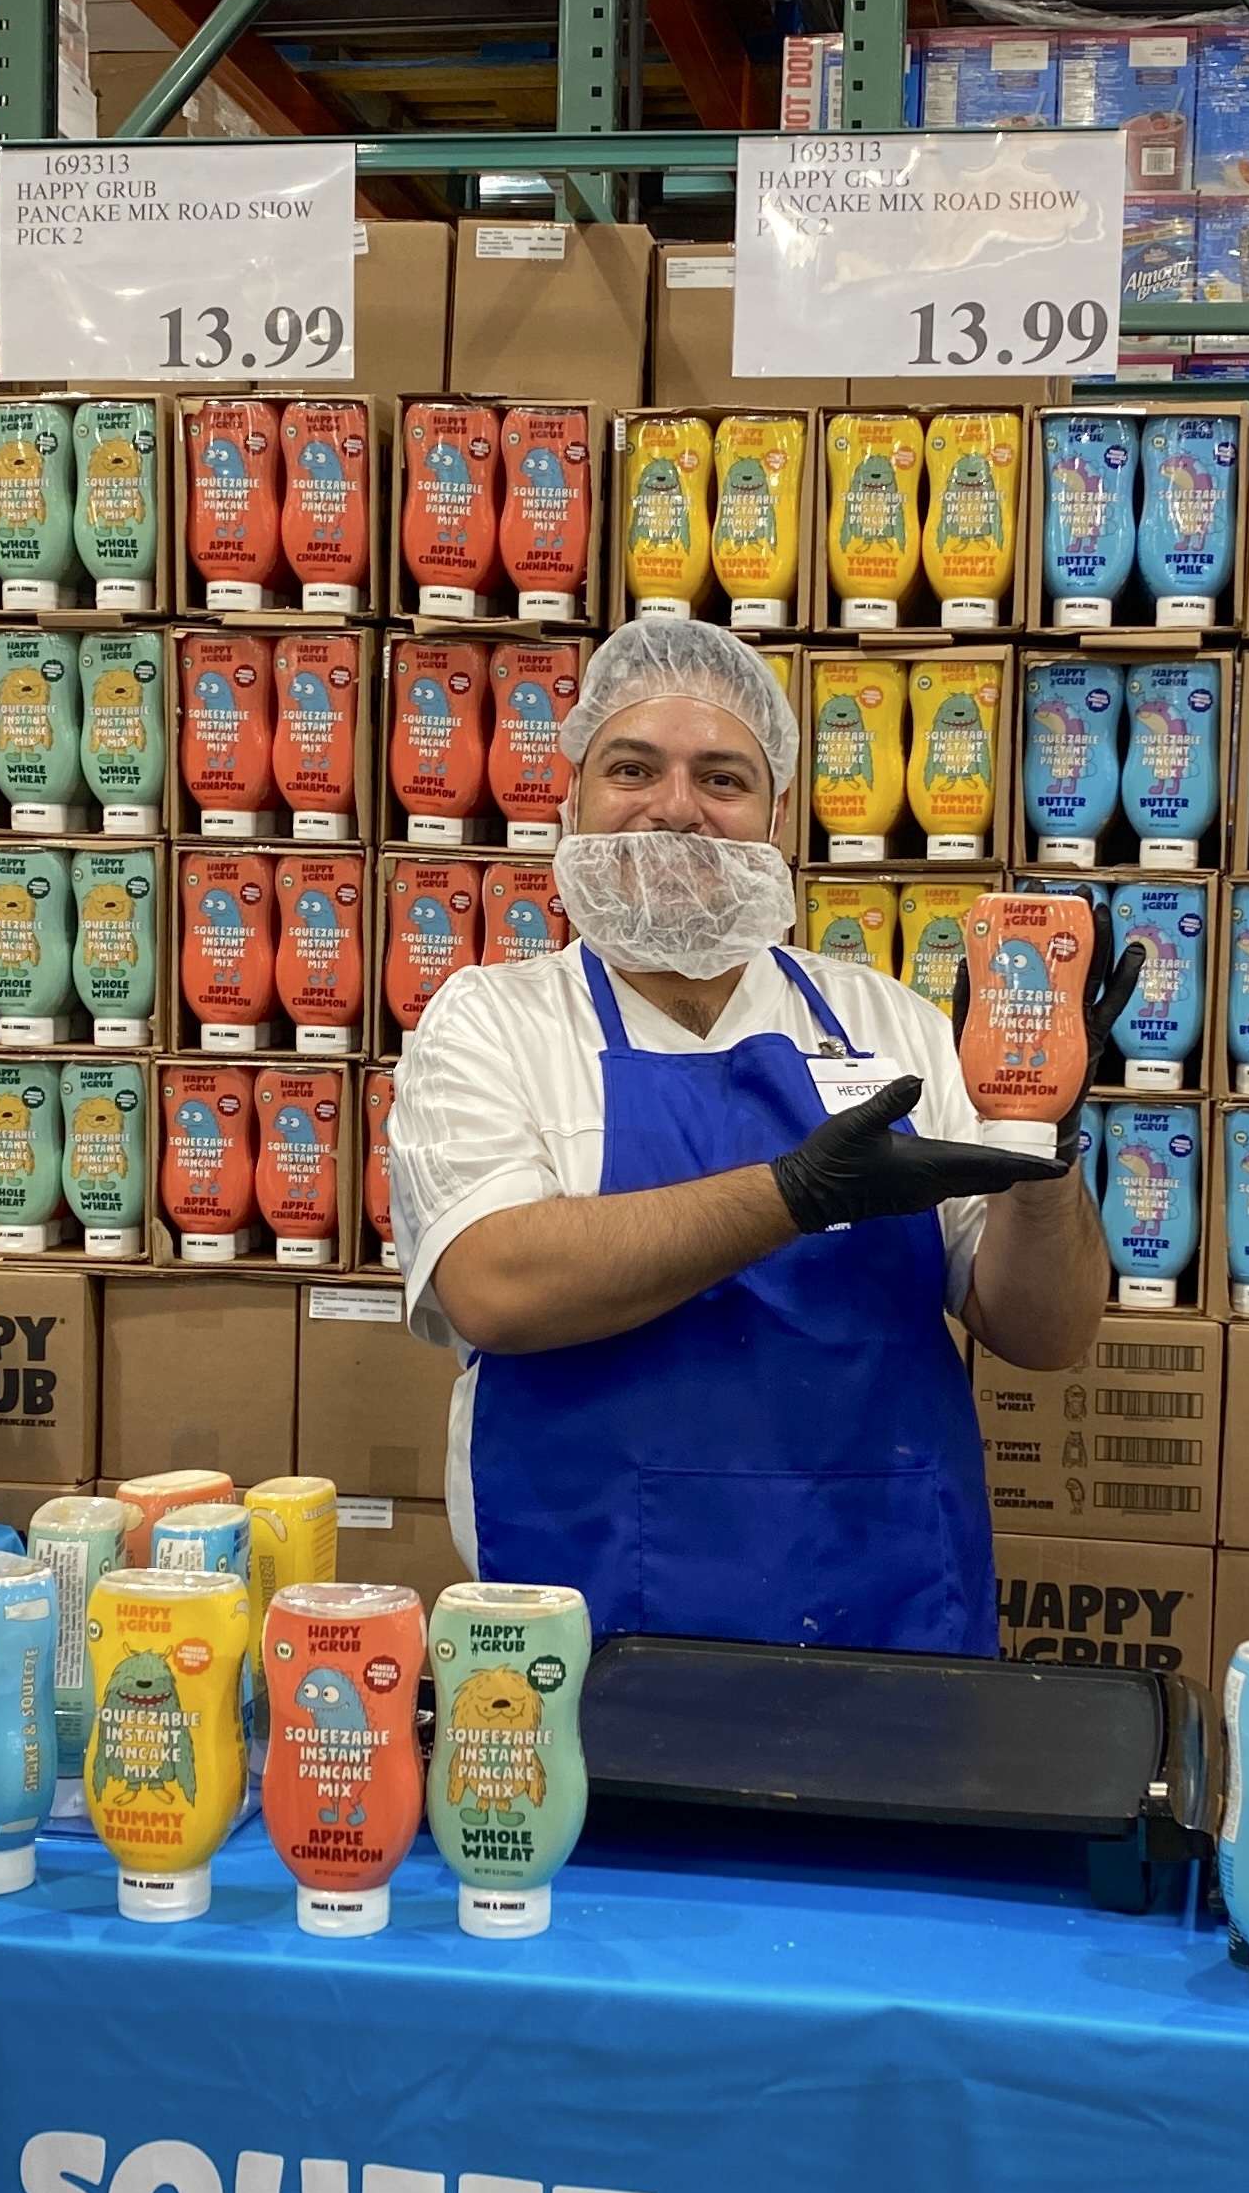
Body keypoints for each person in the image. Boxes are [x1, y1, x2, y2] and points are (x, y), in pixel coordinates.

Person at [387, 619, 1128, 1656]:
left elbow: (1044, 1335)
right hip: (590, 1651)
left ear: (777, 821)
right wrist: (794, 1193)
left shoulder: (889, 1026)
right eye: (632, 768)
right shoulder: (491, 1023)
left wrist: (1040, 1148)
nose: (675, 808)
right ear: (571, 802)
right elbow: (495, 1288)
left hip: (891, 1635)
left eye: (721, 778)